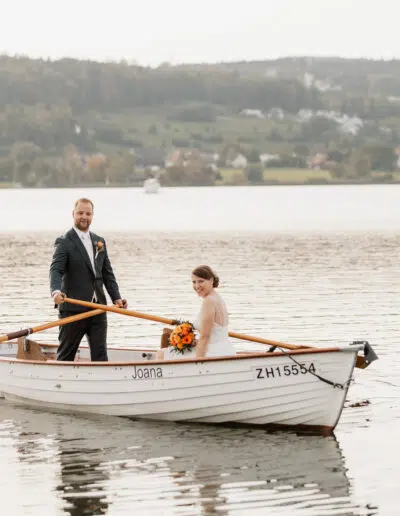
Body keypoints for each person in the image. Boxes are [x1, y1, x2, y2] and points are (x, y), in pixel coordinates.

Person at [49, 198, 127, 362]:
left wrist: (116, 298)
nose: (84, 217)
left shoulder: (99, 241)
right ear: (73, 214)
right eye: (80, 213)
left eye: (88, 213)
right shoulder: (64, 241)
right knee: (65, 357)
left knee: (100, 357)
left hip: (98, 308)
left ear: (92, 216)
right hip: (73, 309)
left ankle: (101, 386)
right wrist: (56, 292)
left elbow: (107, 274)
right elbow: (56, 270)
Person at [157, 265, 235, 360]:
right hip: (225, 348)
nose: (197, 286)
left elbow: (205, 337)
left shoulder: (208, 301)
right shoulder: (217, 297)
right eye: (194, 282)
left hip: (213, 352)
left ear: (211, 280)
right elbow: (214, 334)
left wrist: (198, 362)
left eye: (201, 281)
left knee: (161, 354)